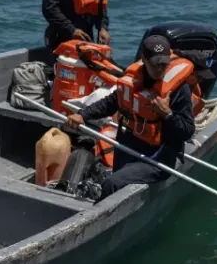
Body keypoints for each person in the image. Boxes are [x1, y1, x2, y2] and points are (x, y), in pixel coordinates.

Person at [62, 34, 195, 199]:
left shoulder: (179, 89)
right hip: (128, 147)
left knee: (112, 184)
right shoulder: (132, 80)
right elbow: (111, 102)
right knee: (113, 178)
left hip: (157, 158)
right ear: (144, 60)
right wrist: (83, 115)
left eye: (164, 63)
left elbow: (187, 131)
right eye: (156, 64)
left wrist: (167, 114)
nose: (161, 68)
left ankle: (100, 212)